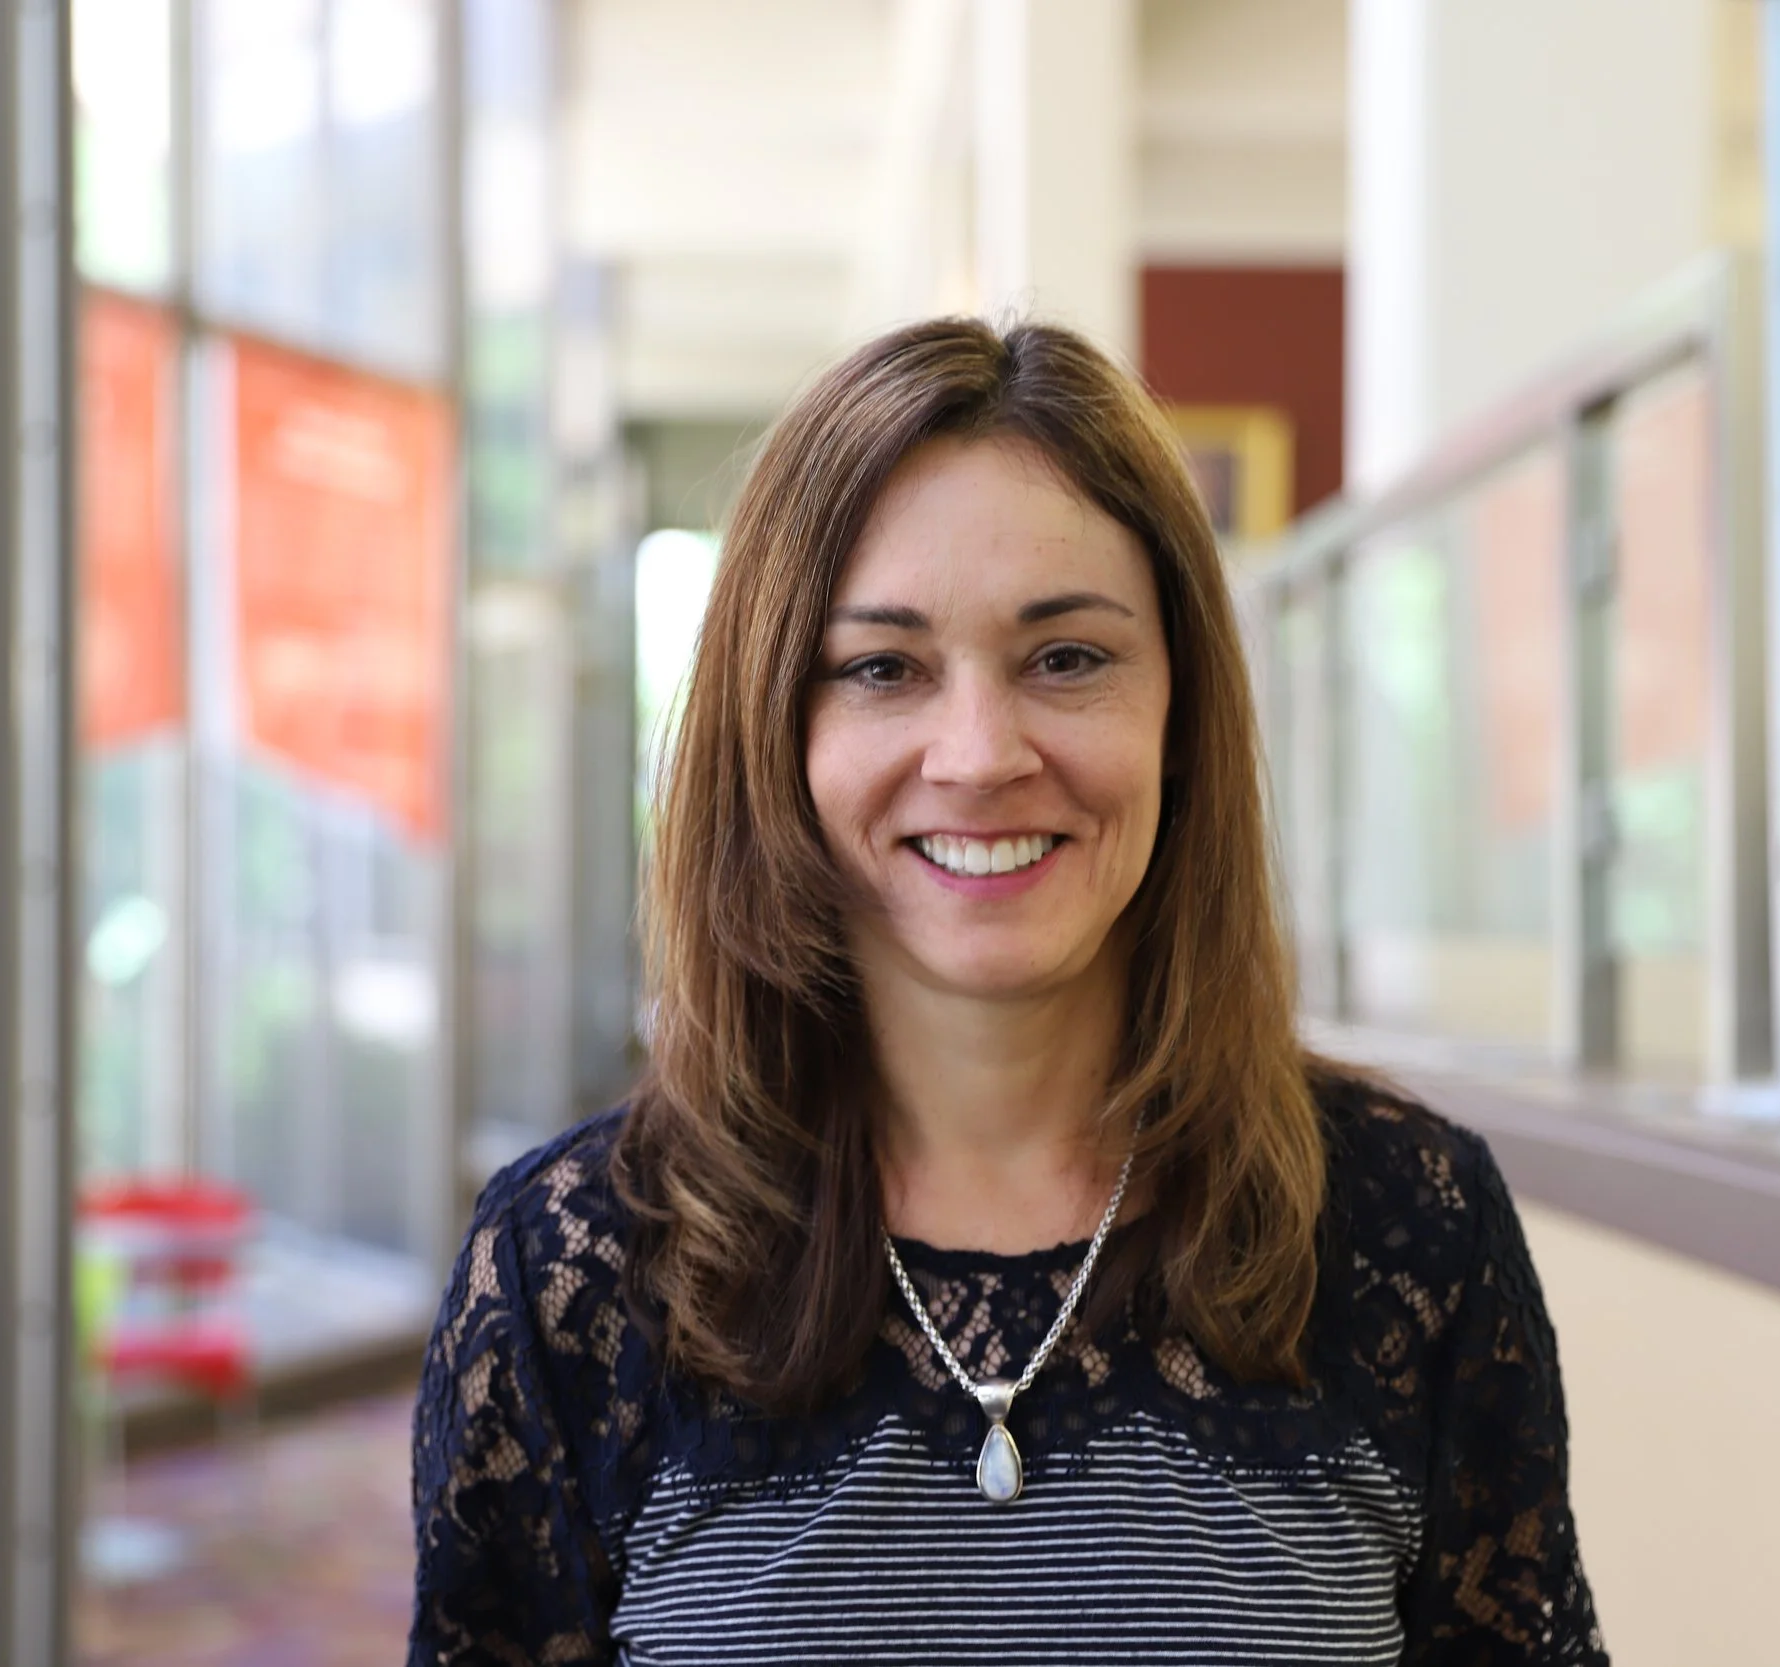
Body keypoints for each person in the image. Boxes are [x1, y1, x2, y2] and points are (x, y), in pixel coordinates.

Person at [409, 317, 1607, 1665]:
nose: (978, 754)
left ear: (1180, 717)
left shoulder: (1411, 1227)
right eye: (882, 668)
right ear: (773, 734)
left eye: (1067, 658)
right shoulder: (574, 1267)